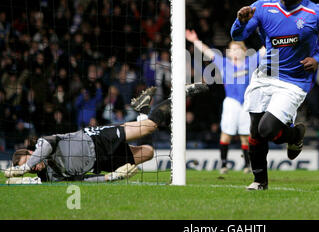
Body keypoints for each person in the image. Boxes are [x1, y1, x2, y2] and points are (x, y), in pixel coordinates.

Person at [230, 0, 319, 190]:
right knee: (255, 130)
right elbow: (238, 36)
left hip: (294, 79)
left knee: (267, 129)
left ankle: (295, 134)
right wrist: (240, 22)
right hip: (266, 74)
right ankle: (259, 181)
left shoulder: (316, 13)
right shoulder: (263, 7)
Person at [4, 83, 208, 183]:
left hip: (95, 139)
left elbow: (47, 143)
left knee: (149, 127)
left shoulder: (42, 145)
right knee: (148, 152)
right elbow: (81, 181)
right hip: (100, 163)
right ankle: (143, 109)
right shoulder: (47, 177)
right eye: (29, 169)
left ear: (29, 153)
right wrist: (110, 177)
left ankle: (181, 93)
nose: (32, 168)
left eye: (28, 163)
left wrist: (24, 168)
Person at [186, 29, 265, 174]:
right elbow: (208, 52)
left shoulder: (251, 61)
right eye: (231, 50)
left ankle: (247, 165)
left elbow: (263, 50)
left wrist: (273, 34)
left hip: (247, 103)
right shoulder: (224, 63)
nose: (233, 52)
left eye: (236, 49)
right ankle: (223, 164)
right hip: (231, 102)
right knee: (226, 132)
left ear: (244, 50)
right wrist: (195, 40)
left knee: (245, 135)